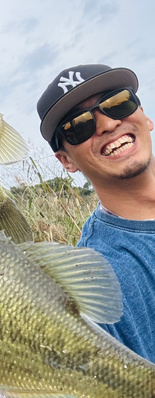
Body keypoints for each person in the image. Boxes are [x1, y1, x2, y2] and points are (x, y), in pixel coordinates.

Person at [37, 63, 155, 363]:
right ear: (66, 161)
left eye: (117, 103)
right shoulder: (98, 282)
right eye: (78, 126)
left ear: (145, 116)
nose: (107, 125)